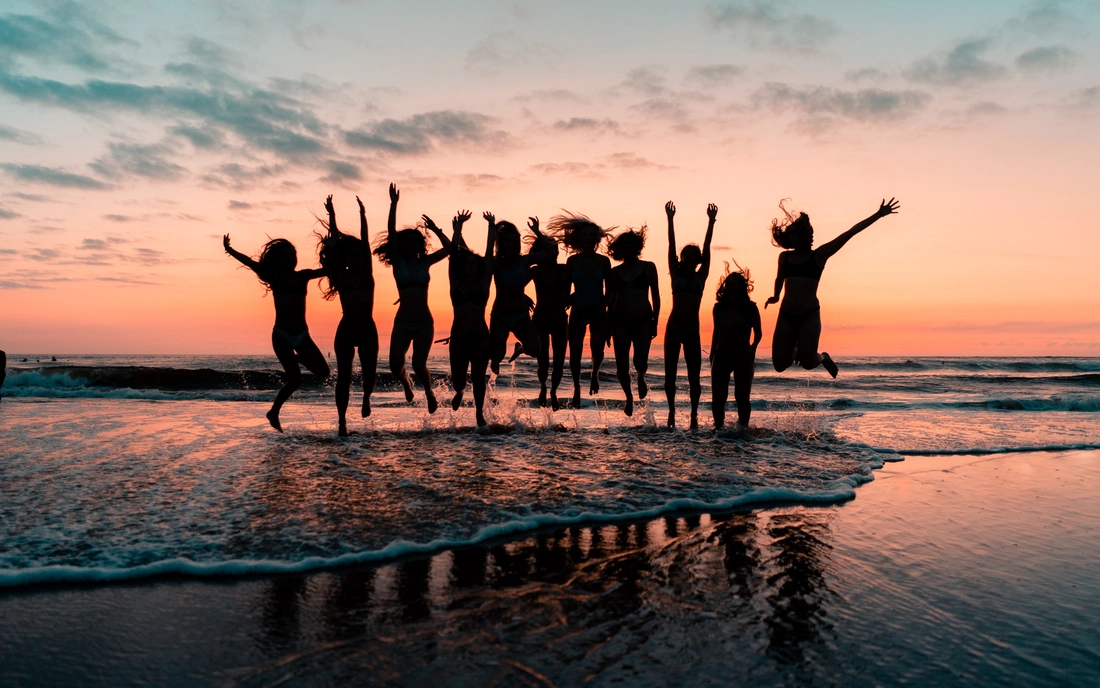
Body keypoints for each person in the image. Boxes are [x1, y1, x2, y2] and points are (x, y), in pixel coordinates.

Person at [764, 198, 899, 377]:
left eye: (810, 233)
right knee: (779, 365)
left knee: (808, 363)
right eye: (804, 234)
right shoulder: (784, 257)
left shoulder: (819, 256)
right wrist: (775, 296)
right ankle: (795, 350)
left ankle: (823, 357)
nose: (809, 237)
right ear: (793, 238)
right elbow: (779, 278)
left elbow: (850, 233)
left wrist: (878, 215)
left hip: (809, 315)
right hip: (786, 315)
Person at [223, 233, 330, 432]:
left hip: (302, 334)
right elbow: (249, 262)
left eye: (293, 255)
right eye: (286, 256)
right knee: (295, 380)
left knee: (324, 372)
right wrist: (230, 250)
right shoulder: (273, 277)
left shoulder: (303, 276)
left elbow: (328, 270)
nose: (291, 259)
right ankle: (274, 412)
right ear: (277, 259)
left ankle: (298, 359)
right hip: (281, 335)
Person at [374, 183, 451, 413]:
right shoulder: (399, 263)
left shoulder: (425, 262)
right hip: (402, 322)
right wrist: (393, 204)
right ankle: (406, 383)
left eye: (415, 242)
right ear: (401, 246)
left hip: (425, 322)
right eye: (407, 242)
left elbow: (449, 249)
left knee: (419, 364)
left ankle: (428, 392)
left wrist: (437, 230)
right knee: (395, 365)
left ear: (420, 245)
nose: (411, 245)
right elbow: (390, 231)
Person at [318, 194, 377, 437]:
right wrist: (332, 215)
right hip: (346, 330)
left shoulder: (367, 272)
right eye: (350, 255)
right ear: (345, 258)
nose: (355, 258)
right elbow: (334, 242)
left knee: (370, 372)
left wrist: (363, 215)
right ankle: (342, 421)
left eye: (358, 255)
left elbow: (365, 242)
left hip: (367, 330)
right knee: (344, 377)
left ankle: (366, 398)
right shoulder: (340, 276)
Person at [547, 213, 613, 409]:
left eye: (591, 235)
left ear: (596, 239)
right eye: (584, 235)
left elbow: (610, 290)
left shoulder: (604, 261)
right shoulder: (572, 261)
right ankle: (576, 386)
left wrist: (605, 304)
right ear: (579, 238)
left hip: (598, 310)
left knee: (597, 349)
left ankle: (594, 375)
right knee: (574, 351)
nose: (588, 238)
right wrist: (564, 303)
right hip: (578, 309)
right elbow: (566, 290)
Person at [663, 201, 717, 429]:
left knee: (694, 376)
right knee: (670, 375)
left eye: (693, 256)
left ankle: (694, 415)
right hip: (673, 328)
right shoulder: (674, 272)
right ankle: (672, 413)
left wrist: (711, 222)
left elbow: (707, 246)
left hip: (692, 330)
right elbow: (671, 244)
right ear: (681, 257)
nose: (688, 258)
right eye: (686, 255)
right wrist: (670, 219)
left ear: (698, 260)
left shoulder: (701, 275)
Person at [441, 210, 494, 426]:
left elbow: (489, 254)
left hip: (481, 337)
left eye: (475, 263)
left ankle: (479, 413)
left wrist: (491, 227)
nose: (471, 265)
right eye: (468, 263)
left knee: (479, 378)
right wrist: (458, 228)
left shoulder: (484, 284)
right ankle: (460, 392)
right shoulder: (455, 283)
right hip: (459, 338)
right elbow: (454, 255)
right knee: (458, 380)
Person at [607, 227, 660, 416]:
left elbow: (656, 296)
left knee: (640, 361)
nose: (627, 249)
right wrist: (607, 327)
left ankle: (641, 377)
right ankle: (628, 397)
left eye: (631, 246)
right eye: (624, 246)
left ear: (637, 247)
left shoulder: (648, 267)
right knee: (621, 365)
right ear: (619, 249)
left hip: (643, 319)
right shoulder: (614, 273)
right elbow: (610, 301)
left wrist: (655, 321)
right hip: (619, 320)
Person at [487, 216, 546, 375]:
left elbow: (551, 251)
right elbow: (481, 257)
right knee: (496, 355)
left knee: (535, 350)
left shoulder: (525, 261)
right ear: (501, 244)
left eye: (514, 241)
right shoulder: (496, 263)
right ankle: (495, 358)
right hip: (500, 315)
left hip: (520, 316)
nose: (511, 245)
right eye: (507, 241)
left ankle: (520, 348)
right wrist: (491, 230)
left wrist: (536, 231)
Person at [711, 263, 761, 430]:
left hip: (743, 357)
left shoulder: (751, 308)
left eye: (735, 285)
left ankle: (743, 431)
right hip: (721, 355)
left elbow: (758, 333)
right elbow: (716, 332)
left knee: (742, 398)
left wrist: (752, 350)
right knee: (719, 398)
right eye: (729, 284)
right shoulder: (718, 308)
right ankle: (718, 430)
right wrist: (712, 354)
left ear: (741, 287)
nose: (731, 288)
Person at [528, 229, 570, 409]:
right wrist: (523, 297)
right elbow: (514, 286)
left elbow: (585, 283)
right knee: (543, 362)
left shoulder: (565, 269)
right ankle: (544, 387)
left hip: (560, 319)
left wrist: (573, 297)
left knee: (559, 363)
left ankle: (554, 391)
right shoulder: (535, 271)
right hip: (540, 319)